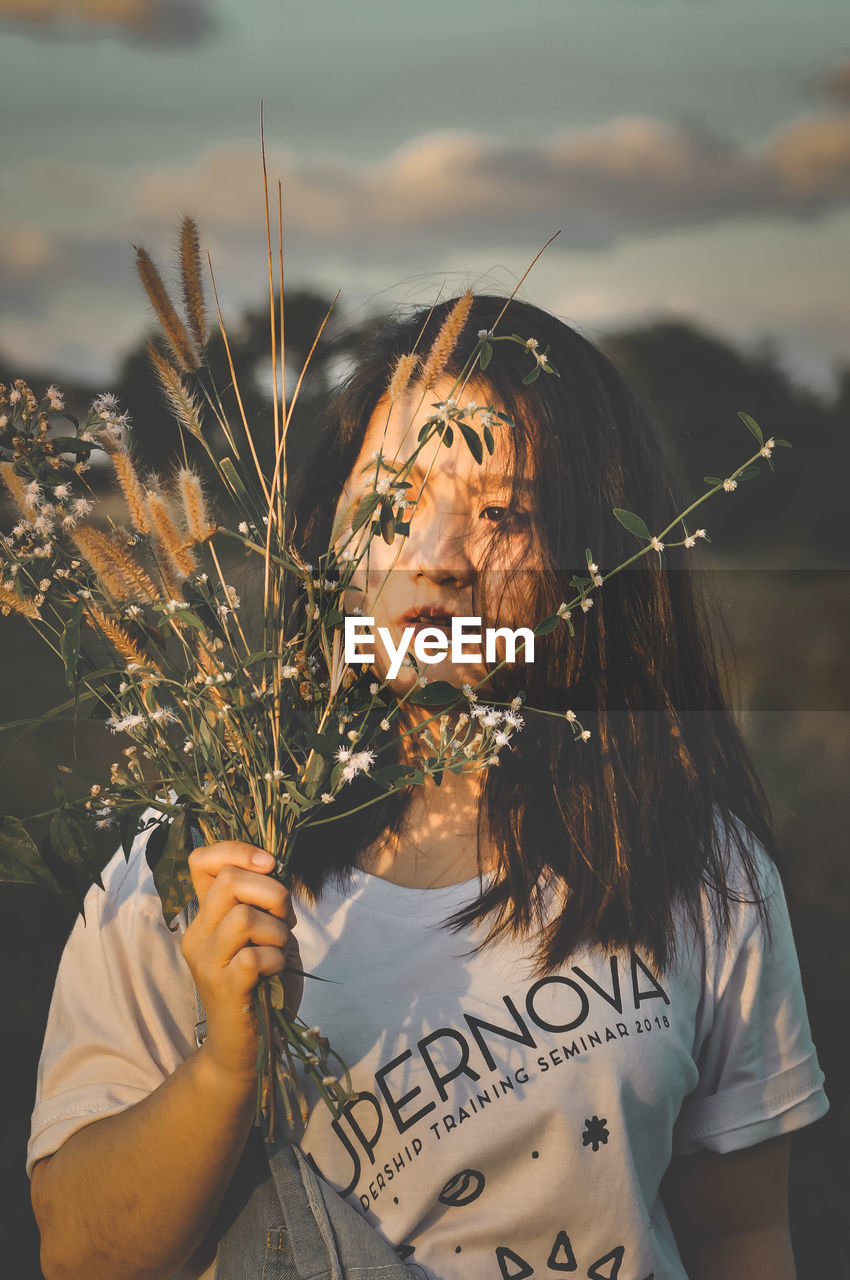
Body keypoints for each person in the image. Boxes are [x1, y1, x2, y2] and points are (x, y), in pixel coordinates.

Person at [27, 295, 829, 1280]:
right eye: (392, 502)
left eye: (504, 512)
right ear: (325, 535)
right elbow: (79, 1252)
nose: (438, 559)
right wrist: (225, 1067)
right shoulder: (196, 855)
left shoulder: (694, 857)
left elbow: (740, 1232)